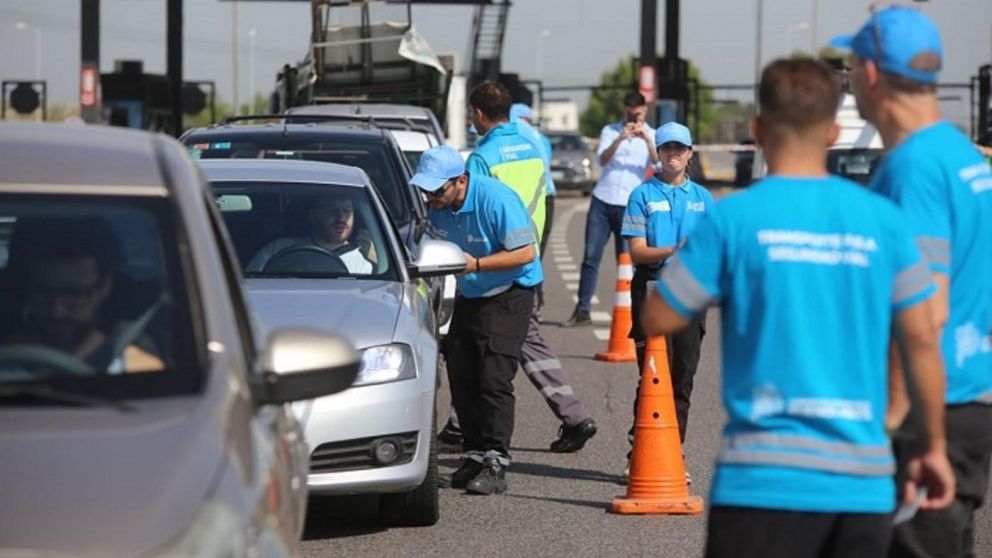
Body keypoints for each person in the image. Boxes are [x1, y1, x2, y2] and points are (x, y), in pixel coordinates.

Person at [642, 58, 955, 558]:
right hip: (861, 481)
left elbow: (660, 316)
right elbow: (921, 339)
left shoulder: (734, 218)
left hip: (758, 482)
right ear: (833, 130)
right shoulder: (883, 220)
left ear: (758, 129)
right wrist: (931, 445)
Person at [833, 7, 992, 557]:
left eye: (851, 65)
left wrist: (892, 427)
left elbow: (923, 313)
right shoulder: (959, 154)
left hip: (925, 414)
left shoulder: (913, 168)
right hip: (962, 398)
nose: (848, 77)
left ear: (873, 73)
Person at [463, 82, 598, 453]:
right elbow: (542, 202)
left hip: (495, 266)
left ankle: (571, 416)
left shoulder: (482, 158)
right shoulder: (531, 148)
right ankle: (571, 415)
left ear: (477, 113)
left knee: (482, 348)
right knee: (515, 342)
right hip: (526, 256)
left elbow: (478, 217)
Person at [412, 145, 541, 495]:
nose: (430, 197)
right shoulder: (438, 209)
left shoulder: (496, 199)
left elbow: (526, 253)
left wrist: (478, 265)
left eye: (437, 190)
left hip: (510, 289)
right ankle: (473, 455)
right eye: (425, 190)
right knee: (461, 371)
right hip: (472, 292)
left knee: (493, 376)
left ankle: (496, 461)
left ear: (461, 181)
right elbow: (429, 249)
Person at [621, 121, 714, 480]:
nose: (673, 154)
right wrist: (674, 250)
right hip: (653, 290)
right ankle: (640, 447)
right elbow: (637, 252)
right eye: (667, 148)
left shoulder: (703, 199)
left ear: (690, 153)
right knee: (652, 374)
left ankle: (674, 450)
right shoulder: (642, 195)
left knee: (683, 375)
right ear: (657, 153)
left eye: (680, 148)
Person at [7, 217, 164, 374]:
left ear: (105, 286)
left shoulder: (138, 353)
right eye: (42, 291)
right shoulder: (8, 342)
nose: (56, 311)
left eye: (74, 294)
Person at [562, 91, 657, 327]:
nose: (633, 117)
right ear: (624, 110)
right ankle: (582, 309)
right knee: (591, 256)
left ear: (644, 111)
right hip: (603, 200)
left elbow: (657, 164)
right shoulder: (610, 131)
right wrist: (620, 139)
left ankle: (633, 313)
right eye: (629, 113)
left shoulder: (652, 135)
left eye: (637, 113)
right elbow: (602, 160)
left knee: (626, 261)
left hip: (630, 205)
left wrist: (646, 140)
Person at [247, 195, 373, 274]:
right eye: (330, 210)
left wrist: (375, 261)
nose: (340, 217)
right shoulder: (278, 249)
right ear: (312, 216)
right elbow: (248, 287)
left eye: (346, 210)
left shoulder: (365, 261)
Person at [509, 102, 557, 259]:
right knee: (536, 252)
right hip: (547, 193)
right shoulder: (540, 138)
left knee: (517, 251)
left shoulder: (513, 128)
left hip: (527, 196)